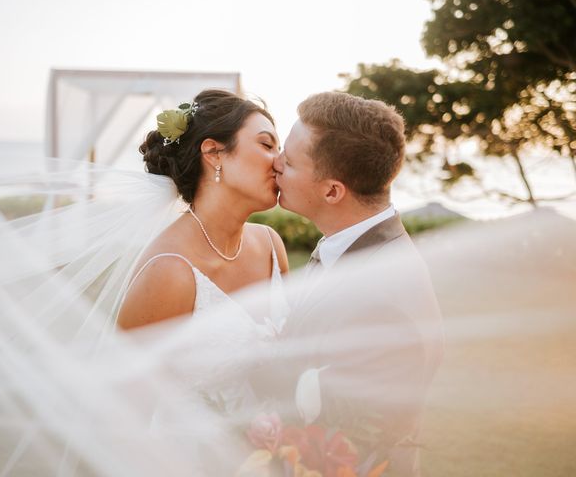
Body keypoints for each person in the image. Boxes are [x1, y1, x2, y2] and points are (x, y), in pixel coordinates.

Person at [272, 91, 445, 476]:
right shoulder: (344, 247)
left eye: (290, 160)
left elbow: (357, 443)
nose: (275, 163)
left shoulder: (384, 294)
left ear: (332, 190)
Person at [118, 89, 289, 330]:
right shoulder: (167, 272)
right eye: (267, 144)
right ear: (213, 153)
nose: (280, 162)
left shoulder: (271, 246)